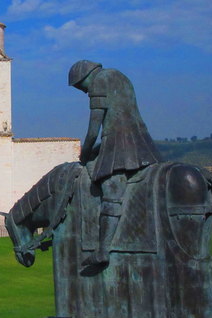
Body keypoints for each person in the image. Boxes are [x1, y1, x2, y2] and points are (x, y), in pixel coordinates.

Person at [69, 60, 161, 266]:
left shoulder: (98, 82)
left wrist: (85, 154)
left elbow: (94, 128)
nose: (83, 92)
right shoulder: (119, 76)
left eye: (79, 87)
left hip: (120, 143)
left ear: (85, 78)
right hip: (141, 140)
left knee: (110, 190)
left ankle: (102, 250)